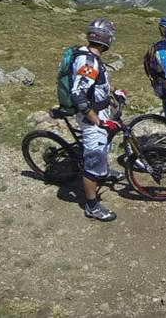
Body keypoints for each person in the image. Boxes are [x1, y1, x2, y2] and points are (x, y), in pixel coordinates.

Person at [70, 18, 128, 222]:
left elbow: (97, 84)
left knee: (105, 145)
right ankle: (92, 206)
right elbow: (79, 96)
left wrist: (115, 91)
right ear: (106, 38)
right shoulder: (88, 62)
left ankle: (103, 170)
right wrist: (98, 122)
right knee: (93, 160)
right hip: (91, 118)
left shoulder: (94, 58)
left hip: (100, 112)